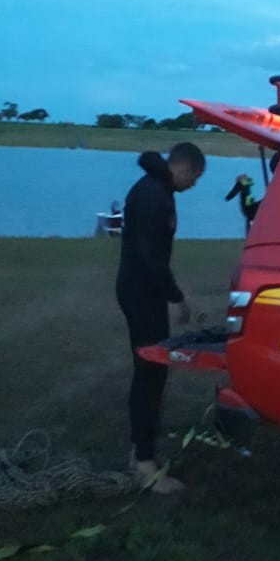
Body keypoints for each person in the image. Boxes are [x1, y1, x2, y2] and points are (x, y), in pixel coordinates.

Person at [116, 142, 205, 493]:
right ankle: (145, 464)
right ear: (183, 169)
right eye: (194, 179)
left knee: (149, 370)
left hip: (139, 289)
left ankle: (139, 451)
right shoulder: (156, 195)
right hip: (142, 293)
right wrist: (176, 298)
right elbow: (151, 257)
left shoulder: (152, 188)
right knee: (151, 372)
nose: (193, 186)